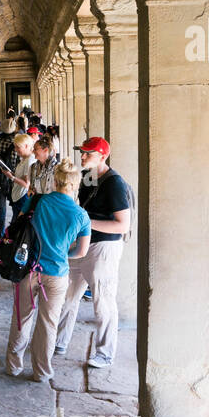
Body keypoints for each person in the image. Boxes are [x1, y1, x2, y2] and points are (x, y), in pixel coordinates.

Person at [5, 157, 91, 381]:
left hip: (28, 269)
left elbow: (20, 225)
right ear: (75, 184)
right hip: (56, 274)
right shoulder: (81, 216)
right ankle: (41, 371)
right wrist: (63, 253)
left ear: (55, 181)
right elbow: (81, 252)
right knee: (48, 324)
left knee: (21, 318)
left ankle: (14, 365)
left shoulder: (37, 201)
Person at [53, 136, 132, 368]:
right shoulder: (87, 176)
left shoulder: (115, 184)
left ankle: (105, 353)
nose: (83, 156)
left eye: (88, 153)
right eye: (82, 152)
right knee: (68, 294)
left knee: (103, 300)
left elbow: (122, 225)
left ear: (103, 156)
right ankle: (59, 341)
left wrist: (86, 221)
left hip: (104, 247)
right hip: (82, 244)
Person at [9, 131, 36, 223]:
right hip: (18, 196)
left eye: (18, 147)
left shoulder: (29, 160)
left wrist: (11, 177)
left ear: (26, 146)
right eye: (15, 147)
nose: (16, 150)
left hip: (22, 196)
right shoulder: (24, 158)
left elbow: (26, 184)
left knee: (17, 225)